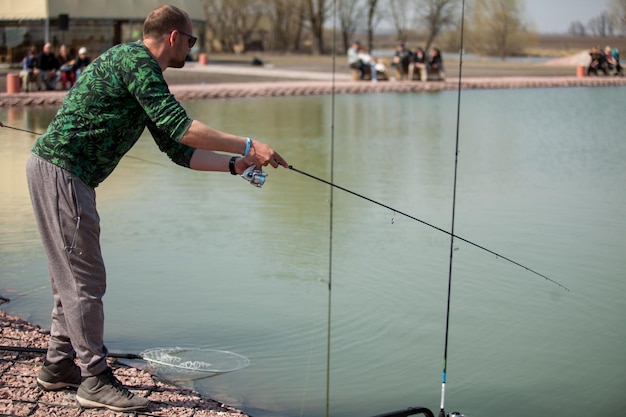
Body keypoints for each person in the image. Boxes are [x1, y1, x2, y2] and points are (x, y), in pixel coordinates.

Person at [26, 5, 288, 413]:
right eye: (191, 40)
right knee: (84, 281)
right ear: (173, 37)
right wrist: (248, 145)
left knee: (71, 276)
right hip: (63, 172)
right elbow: (181, 125)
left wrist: (237, 166)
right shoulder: (135, 61)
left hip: (63, 174)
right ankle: (93, 379)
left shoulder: (141, 71)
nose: (190, 47)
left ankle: (59, 366)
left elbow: (178, 149)